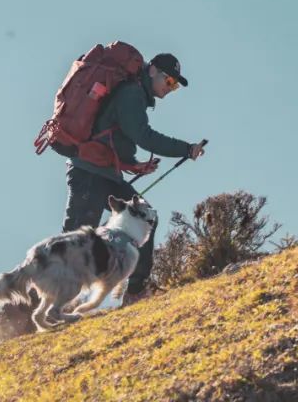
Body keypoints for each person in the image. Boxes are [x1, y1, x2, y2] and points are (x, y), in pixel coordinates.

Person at [61, 52, 206, 306]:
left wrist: (131, 165)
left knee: (145, 217)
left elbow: (113, 136)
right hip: (89, 174)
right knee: (75, 244)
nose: (170, 89)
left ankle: (136, 290)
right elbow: (144, 136)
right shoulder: (132, 94)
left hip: (104, 173)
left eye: (174, 87)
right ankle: (30, 315)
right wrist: (185, 149)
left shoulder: (136, 95)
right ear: (152, 71)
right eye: (169, 81)